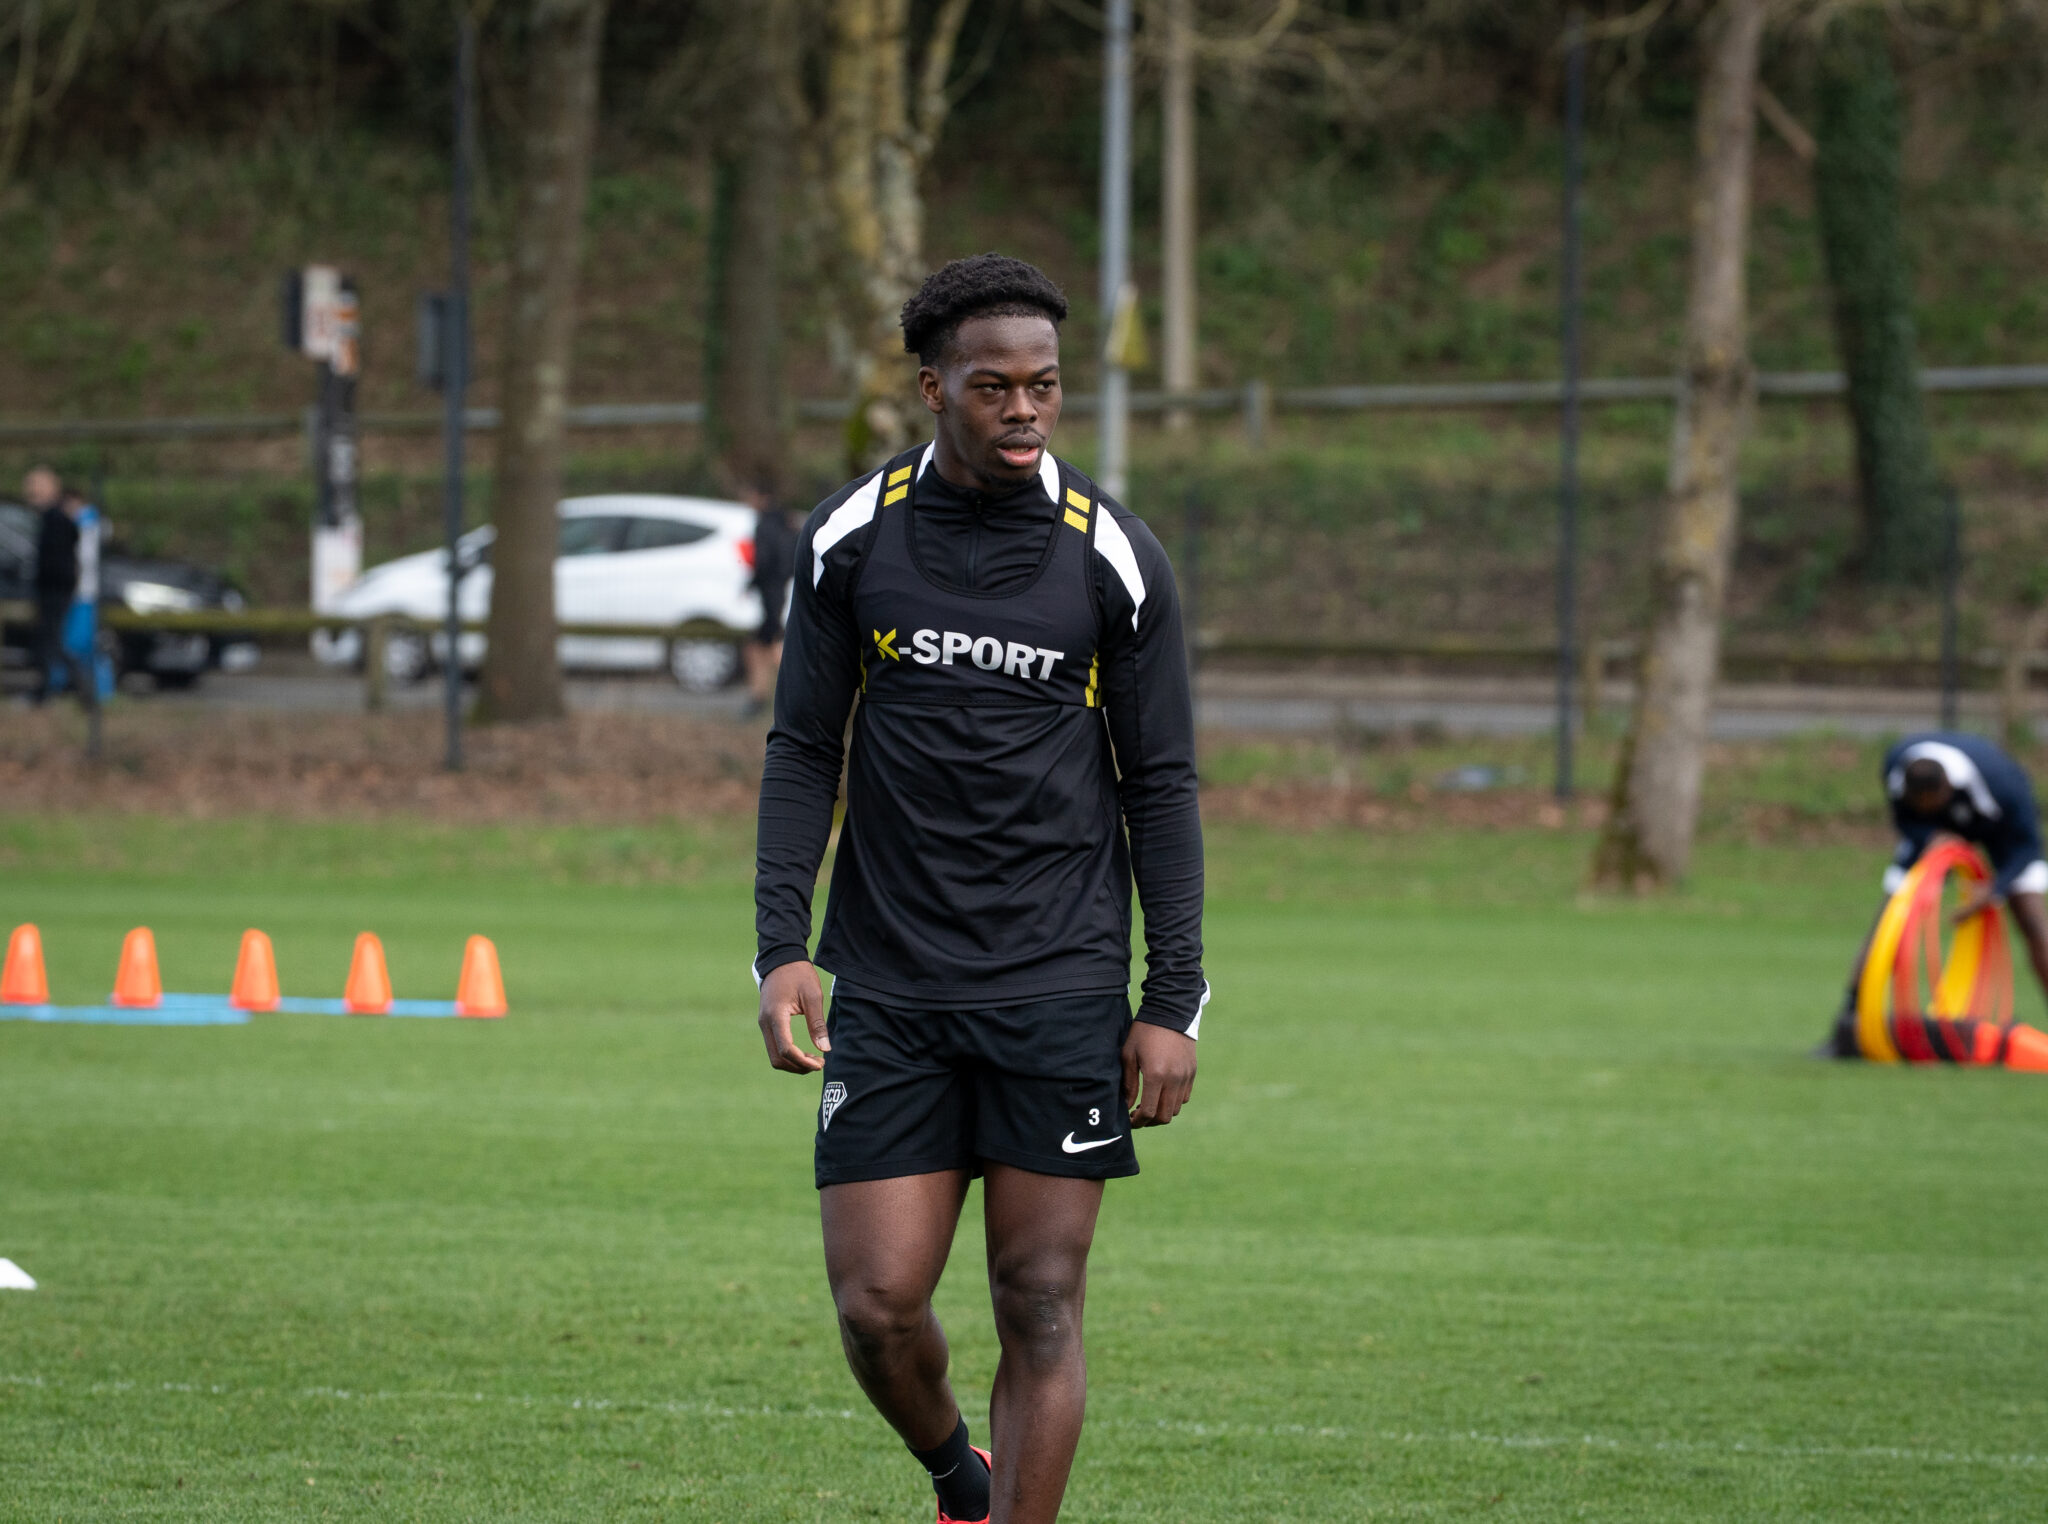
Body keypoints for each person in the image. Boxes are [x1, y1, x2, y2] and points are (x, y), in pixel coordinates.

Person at [753, 253, 1206, 1524]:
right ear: (932, 388)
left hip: (1056, 979)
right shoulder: (849, 538)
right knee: (875, 1306)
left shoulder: (1112, 556)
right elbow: (802, 749)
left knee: (1039, 1298)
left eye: (1043, 385)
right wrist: (779, 946)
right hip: (889, 982)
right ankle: (961, 1480)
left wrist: (1170, 999)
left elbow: (1160, 783)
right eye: (993, 385)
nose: (1023, 409)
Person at [1822, 731, 2048, 1056]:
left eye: (1933, 803)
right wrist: (1928, 836)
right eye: (1920, 804)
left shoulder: (2003, 785)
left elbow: (2027, 847)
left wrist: (1995, 890)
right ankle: (1847, 1026)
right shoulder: (1896, 766)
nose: (1925, 808)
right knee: (1888, 923)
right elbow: (1903, 819)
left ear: (1947, 789)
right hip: (1932, 839)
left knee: (2034, 921)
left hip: (2005, 837)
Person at [25, 466, 88, 707]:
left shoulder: (56, 519)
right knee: (48, 642)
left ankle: (79, 690)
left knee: (52, 642)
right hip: (54, 589)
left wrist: (50, 583)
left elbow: (59, 560)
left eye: (34, 487)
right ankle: (51, 691)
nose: (29, 492)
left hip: (55, 591)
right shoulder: (53, 518)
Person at [741, 474, 797, 716]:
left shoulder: (764, 525)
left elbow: (763, 562)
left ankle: (786, 694)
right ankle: (761, 696)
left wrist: (750, 584)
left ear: (760, 497)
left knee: (771, 646)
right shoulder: (788, 522)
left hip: (772, 596)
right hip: (785, 592)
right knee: (762, 645)